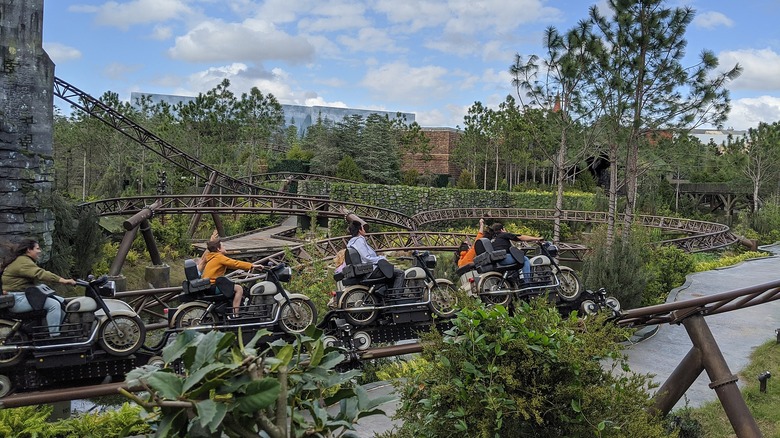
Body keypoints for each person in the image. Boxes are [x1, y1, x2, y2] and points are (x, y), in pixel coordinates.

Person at [1, 239, 76, 336]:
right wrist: (63, 280)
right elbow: (40, 274)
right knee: (54, 305)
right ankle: (54, 336)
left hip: (22, 296)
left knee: (61, 301)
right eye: (37, 248)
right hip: (17, 299)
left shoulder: (23, 260)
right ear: (29, 250)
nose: (39, 251)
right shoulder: (23, 262)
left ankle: (55, 328)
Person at [200, 239, 263, 316]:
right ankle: (235, 314)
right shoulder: (219, 257)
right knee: (239, 289)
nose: (225, 247)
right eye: (223, 246)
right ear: (218, 249)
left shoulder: (212, 257)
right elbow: (235, 263)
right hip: (213, 285)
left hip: (209, 286)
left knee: (233, 286)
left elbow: (231, 265)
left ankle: (230, 309)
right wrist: (251, 266)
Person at [346, 221, 404, 291]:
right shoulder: (359, 241)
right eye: (363, 229)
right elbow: (366, 258)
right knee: (400, 273)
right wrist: (381, 258)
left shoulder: (351, 242)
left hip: (364, 271)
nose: (365, 230)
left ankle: (387, 296)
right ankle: (396, 297)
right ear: (360, 231)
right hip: (370, 271)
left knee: (391, 273)